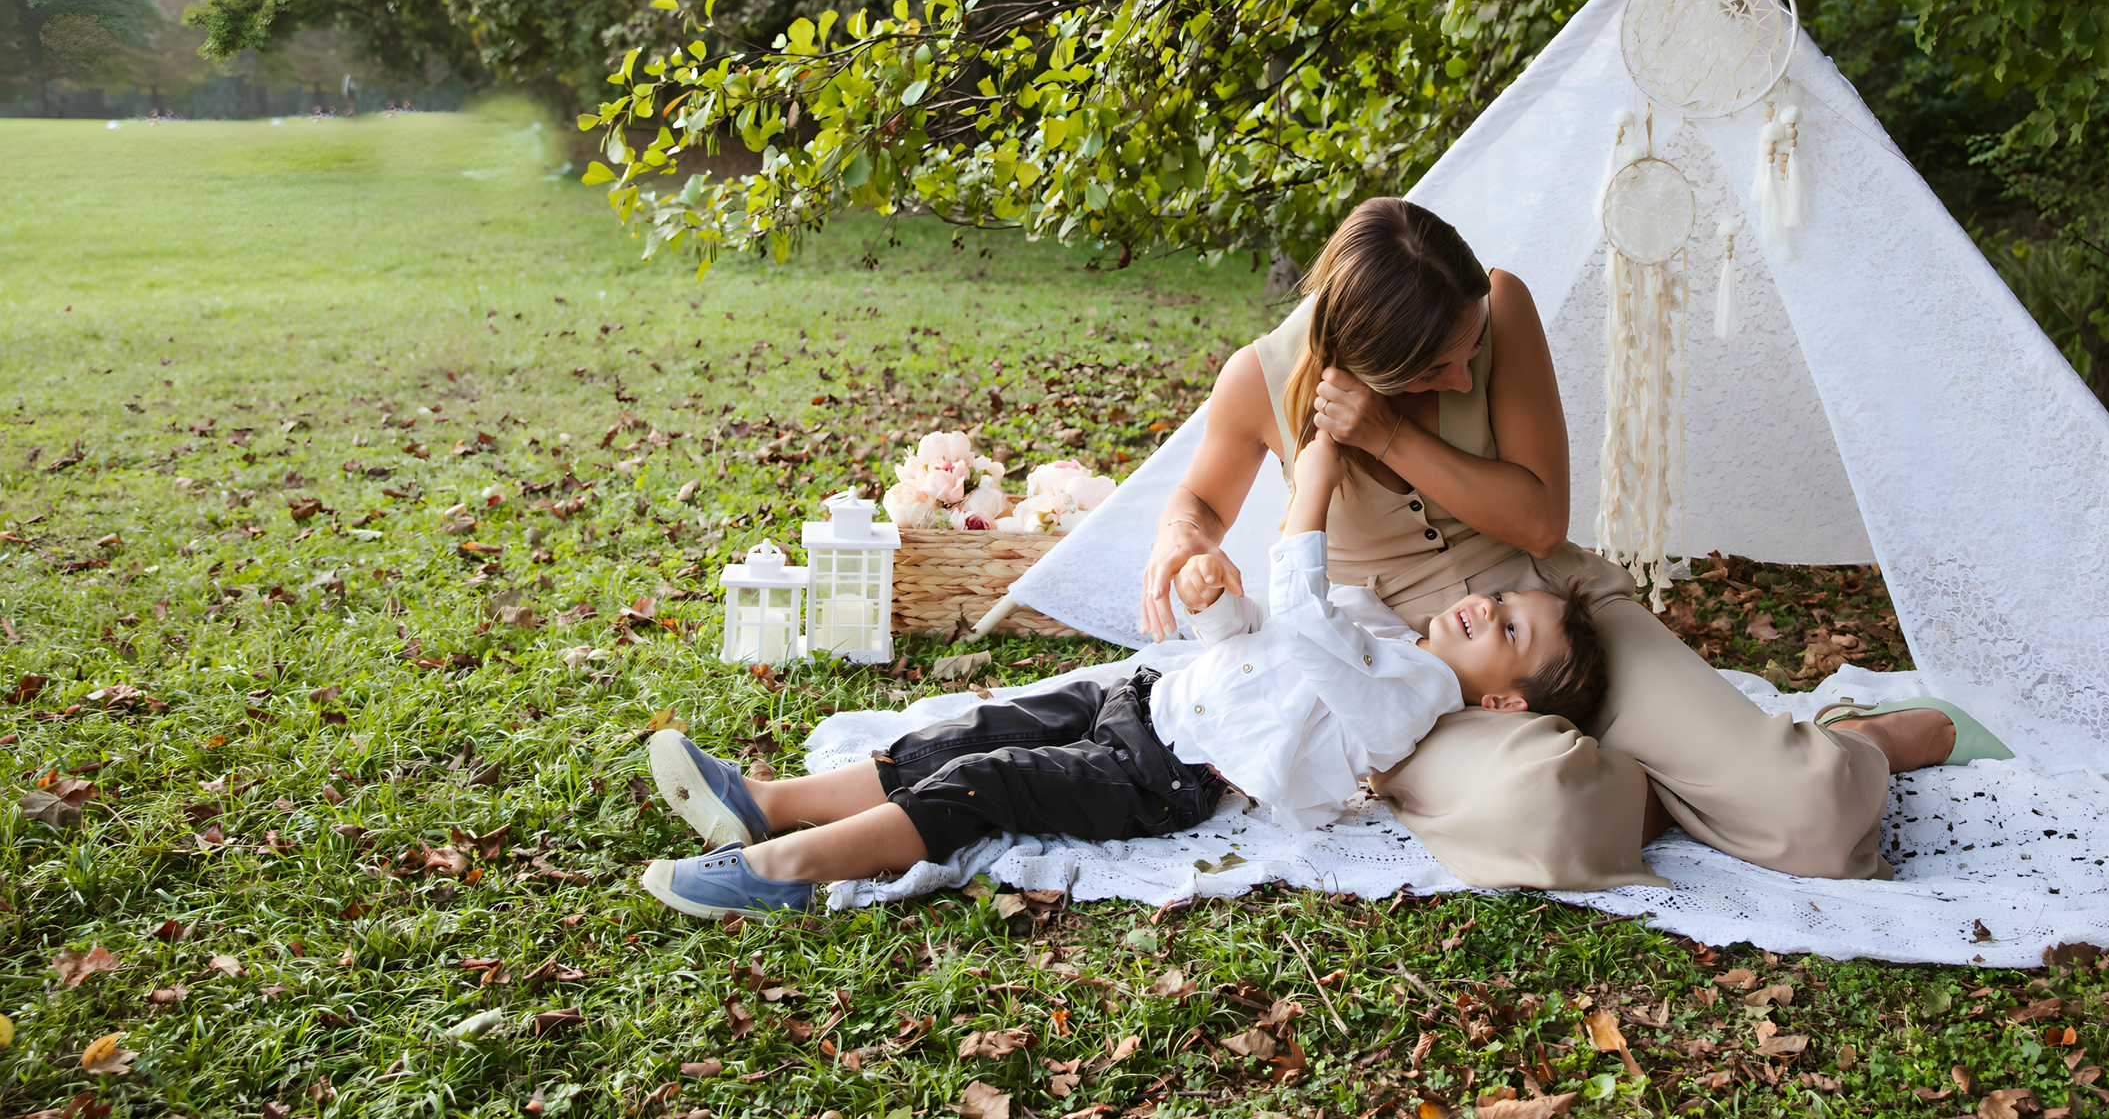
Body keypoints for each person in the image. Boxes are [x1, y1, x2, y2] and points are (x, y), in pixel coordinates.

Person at [1140, 196, 2007, 890]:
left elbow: (1538, 520)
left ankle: (1860, 739)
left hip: (1552, 606)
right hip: (1406, 666)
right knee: (1541, 811)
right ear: (1369, 361)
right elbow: (1198, 504)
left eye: (1468, 351)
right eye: (1436, 371)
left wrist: (1389, 436)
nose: (1463, 374)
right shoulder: (1256, 379)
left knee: (1810, 813)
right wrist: (1182, 543)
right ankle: (1669, 785)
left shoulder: (1501, 305)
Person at [634, 427, 1610, 918]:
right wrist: (1214, 590)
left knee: (993, 782)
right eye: (1506, 598)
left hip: (1163, 778)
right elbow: (1258, 638)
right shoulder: (1377, 619)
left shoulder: (1414, 698)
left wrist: (1305, 495)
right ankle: (770, 798)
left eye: (1512, 629)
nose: (1490, 604)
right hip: (1143, 696)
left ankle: (783, 869)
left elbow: (1307, 632)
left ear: (1500, 697)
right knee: (974, 730)